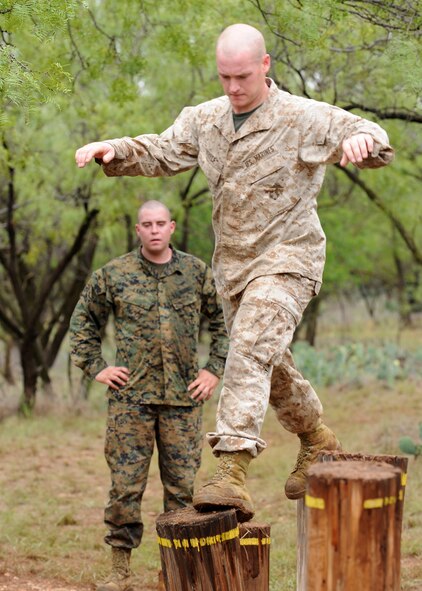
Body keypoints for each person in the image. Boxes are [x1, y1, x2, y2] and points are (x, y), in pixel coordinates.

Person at [74, 24, 394, 523]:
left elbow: (365, 133)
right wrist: (114, 150)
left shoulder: (300, 117)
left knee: (247, 345)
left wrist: (362, 145)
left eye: (242, 76)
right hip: (235, 270)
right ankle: (317, 439)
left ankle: (230, 468)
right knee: (268, 364)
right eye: (224, 77)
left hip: (289, 260)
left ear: (265, 65)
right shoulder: (207, 120)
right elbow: (162, 149)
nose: (232, 87)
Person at [69, 200, 228, 591]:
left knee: (183, 492)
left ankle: (176, 571)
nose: (154, 230)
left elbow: (224, 324)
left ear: (172, 227)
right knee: (125, 486)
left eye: (160, 223)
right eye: (146, 224)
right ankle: (120, 571)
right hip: (130, 402)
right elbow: (82, 322)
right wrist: (97, 367)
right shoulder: (114, 275)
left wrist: (213, 369)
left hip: (183, 401)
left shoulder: (195, 273)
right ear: (137, 230)